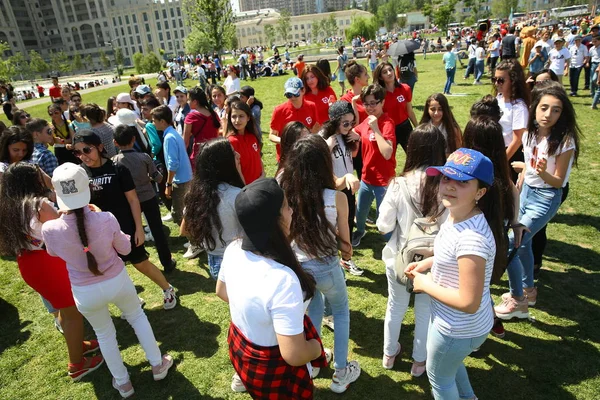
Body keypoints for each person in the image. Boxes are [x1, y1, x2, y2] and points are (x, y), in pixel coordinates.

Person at [42, 163, 173, 398]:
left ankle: (123, 383)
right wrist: (99, 215)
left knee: (104, 334)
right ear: (87, 190)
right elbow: (124, 248)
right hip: (116, 280)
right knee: (137, 317)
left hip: (84, 291)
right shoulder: (105, 218)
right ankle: (157, 364)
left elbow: (53, 253)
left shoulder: (51, 228)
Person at [216, 178, 326, 399]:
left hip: (243, 355)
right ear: (275, 221)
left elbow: (221, 291)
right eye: (286, 206)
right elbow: (294, 354)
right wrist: (316, 347)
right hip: (274, 372)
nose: (292, 210)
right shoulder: (282, 280)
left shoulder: (233, 249)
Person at [406, 148, 499, 400]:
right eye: (446, 178)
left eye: (462, 182)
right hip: (461, 327)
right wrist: (428, 264)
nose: (450, 186)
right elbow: (453, 258)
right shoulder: (457, 214)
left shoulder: (472, 238)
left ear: (480, 192)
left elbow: (468, 303)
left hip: (456, 328)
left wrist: (425, 284)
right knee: (452, 366)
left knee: (439, 379)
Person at [0, 162, 104, 382]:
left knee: (65, 311)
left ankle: (79, 346)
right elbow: (66, 230)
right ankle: (77, 365)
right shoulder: (40, 205)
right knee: (71, 313)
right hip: (49, 264)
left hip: (29, 265)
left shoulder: (9, 208)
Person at [280, 135, 361, 393]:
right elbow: (345, 238)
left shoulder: (286, 195)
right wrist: (346, 254)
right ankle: (341, 371)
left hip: (300, 268)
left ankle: (312, 364)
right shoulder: (336, 197)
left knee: (312, 310)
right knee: (340, 311)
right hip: (328, 266)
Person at [495, 83, 580, 320]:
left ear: (563, 114)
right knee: (524, 244)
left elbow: (558, 181)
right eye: (544, 108)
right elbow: (533, 164)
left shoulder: (565, 140)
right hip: (526, 191)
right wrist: (524, 174)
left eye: (556, 110)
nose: (548, 115)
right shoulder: (531, 132)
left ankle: (518, 300)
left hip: (545, 197)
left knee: (512, 242)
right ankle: (529, 291)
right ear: (535, 108)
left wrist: (540, 173)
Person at [71, 130, 178, 310]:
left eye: (87, 150)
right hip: (99, 233)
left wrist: (139, 228)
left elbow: (133, 199)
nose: (83, 156)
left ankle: (167, 288)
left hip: (125, 227)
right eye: (77, 152)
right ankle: (131, 300)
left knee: (140, 262)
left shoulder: (118, 168)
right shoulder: (81, 174)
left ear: (100, 147)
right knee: (113, 270)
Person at [377, 124, 447, 376]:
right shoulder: (446, 184)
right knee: (425, 311)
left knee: (395, 307)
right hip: (432, 260)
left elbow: (383, 223)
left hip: (399, 256)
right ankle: (419, 362)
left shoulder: (399, 184)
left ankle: (388, 354)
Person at [113, 125, 176, 273]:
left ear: (115, 142)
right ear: (134, 139)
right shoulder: (144, 158)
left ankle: (139, 259)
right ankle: (167, 262)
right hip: (148, 197)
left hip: (129, 202)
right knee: (157, 230)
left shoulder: (115, 161)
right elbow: (158, 178)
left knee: (134, 230)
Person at [182, 138, 244, 280]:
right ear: (225, 163)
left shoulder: (195, 195)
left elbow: (184, 230)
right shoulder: (235, 196)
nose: (238, 155)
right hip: (237, 261)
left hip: (214, 262)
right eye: (233, 154)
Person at [318, 101, 362, 275]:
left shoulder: (347, 135)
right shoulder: (324, 137)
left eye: (352, 122)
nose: (349, 126)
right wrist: (326, 148)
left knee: (348, 222)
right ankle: (331, 262)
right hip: (331, 188)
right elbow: (318, 163)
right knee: (330, 226)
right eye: (345, 123)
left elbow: (352, 156)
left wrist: (356, 139)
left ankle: (346, 259)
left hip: (347, 186)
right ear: (334, 121)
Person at [351, 84, 396, 248]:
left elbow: (387, 153)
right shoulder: (365, 122)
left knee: (383, 216)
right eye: (366, 104)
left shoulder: (387, 123)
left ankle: (391, 242)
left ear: (382, 102)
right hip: (366, 178)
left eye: (373, 103)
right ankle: (360, 231)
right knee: (361, 212)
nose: (370, 107)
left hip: (384, 181)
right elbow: (352, 132)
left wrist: (376, 128)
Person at [151, 105, 193, 229]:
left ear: (162, 121)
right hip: (186, 177)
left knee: (178, 212)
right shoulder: (173, 133)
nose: (153, 123)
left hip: (181, 180)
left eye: (154, 120)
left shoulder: (169, 138)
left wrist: (168, 184)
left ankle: (195, 242)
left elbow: (173, 164)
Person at [492, 60, 530, 182]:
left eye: (501, 80)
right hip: (495, 151)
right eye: (495, 79)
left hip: (509, 156)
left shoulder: (518, 106)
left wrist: (501, 162)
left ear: (513, 81)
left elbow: (517, 140)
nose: (497, 83)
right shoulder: (498, 99)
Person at [269, 77, 318, 163]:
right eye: (289, 95)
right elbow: (271, 135)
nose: (292, 97)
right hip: (286, 158)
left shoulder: (312, 106)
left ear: (303, 91)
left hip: (306, 154)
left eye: (295, 94)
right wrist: (285, 141)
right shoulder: (279, 110)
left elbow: (316, 127)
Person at [373, 62, 417, 153]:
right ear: (381, 77)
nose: (389, 73)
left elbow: (410, 111)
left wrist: (417, 127)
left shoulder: (405, 89)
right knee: (389, 158)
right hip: (389, 129)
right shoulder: (379, 95)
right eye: (385, 72)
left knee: (414, 155)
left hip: (405, 127)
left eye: (390, 70)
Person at [225, 101, 263, 184]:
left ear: (248, 117)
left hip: (260, 183)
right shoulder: (230, 142)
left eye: (241, 116)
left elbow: (258, 157)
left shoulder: (253, 137)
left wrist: (263, 174)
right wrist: (245, 187)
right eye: (234, 116)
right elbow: (233, 170)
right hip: (245, 189)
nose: (237, 120)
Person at [183, 87, 220, 167]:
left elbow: (185, 142)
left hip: (199, 153)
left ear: (195, 102)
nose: (187, 102)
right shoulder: (214, 114)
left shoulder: (191, 117)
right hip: (214, 152)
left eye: (189, 99)